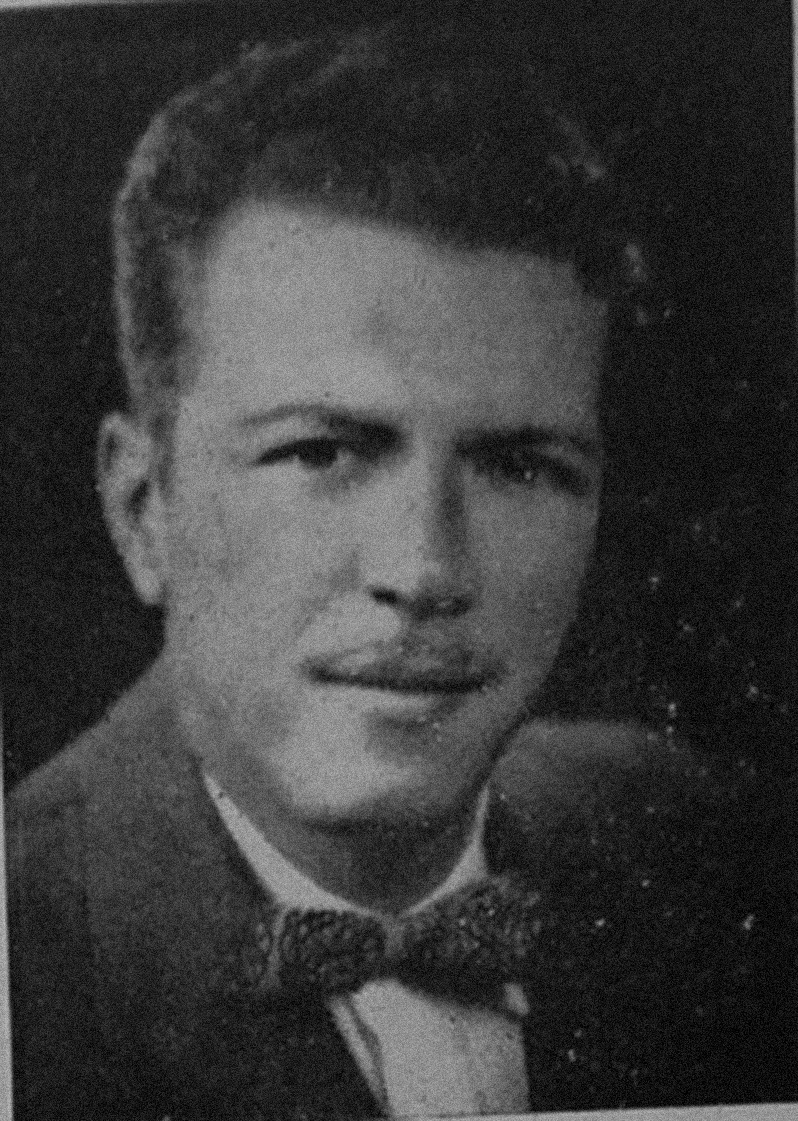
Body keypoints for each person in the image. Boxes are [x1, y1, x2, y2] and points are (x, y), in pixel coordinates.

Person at [6, 20, 789, 1121]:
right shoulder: (25, 960)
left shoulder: (684, 833)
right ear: (145, 510)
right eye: (323, 451)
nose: (426, 569)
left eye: (520, 463)